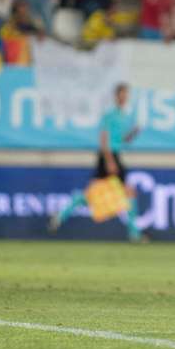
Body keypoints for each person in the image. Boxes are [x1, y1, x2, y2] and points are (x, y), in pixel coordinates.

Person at [49, 84, 143, 242]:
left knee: (95, 195)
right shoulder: (109, 115)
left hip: (116, 154)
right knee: (124, 193)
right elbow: (104, 139)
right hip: (108, 156)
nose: (124, 97)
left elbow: (123, 140)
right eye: (121, 94)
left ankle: (61, 215)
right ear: (116, 96)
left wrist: (133, 133)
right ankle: (134, 234)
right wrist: (109, 160)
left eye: (126, 94)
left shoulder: (124, 116)